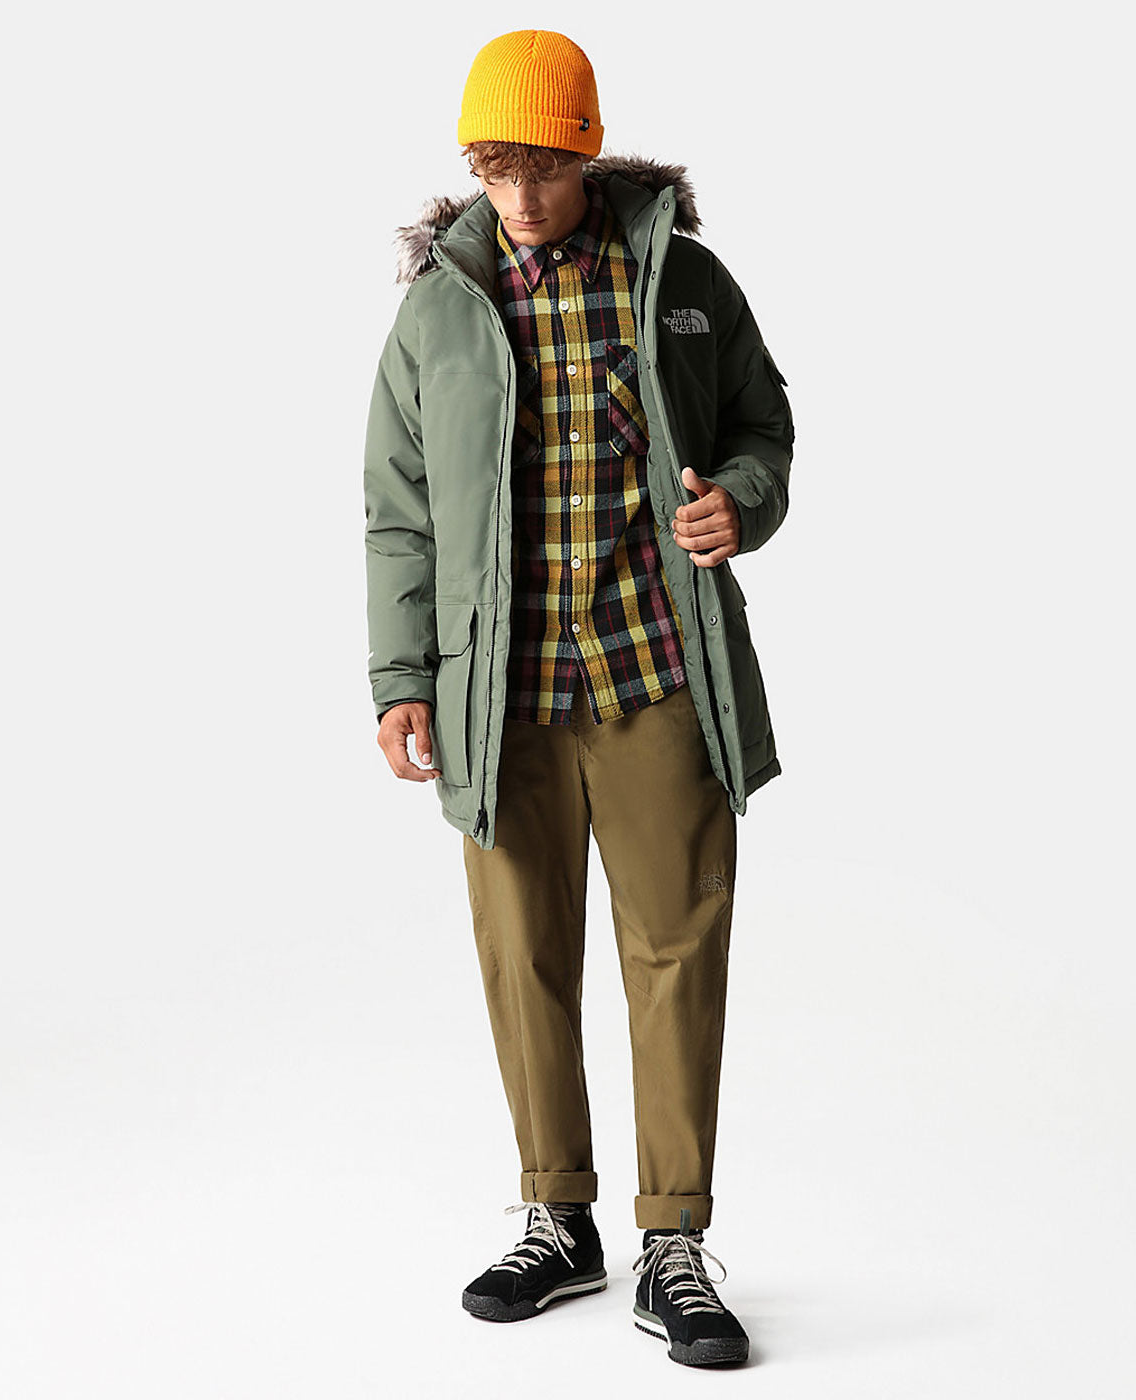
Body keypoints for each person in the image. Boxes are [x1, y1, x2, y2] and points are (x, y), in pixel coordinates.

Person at [362, 28, 794, 1368]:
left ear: (587, 153)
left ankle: (675, 1241)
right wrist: (400, 679)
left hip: (657, 671)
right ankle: (559, 1219)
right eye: (494, 170)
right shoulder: (438, 306)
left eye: (543, 168)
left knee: (676, 953)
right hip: (502, 695)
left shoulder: (680, 281)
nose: (521, 196)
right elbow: (397, 512)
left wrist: (743, 501)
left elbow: (763, 422)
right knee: (523, 955)